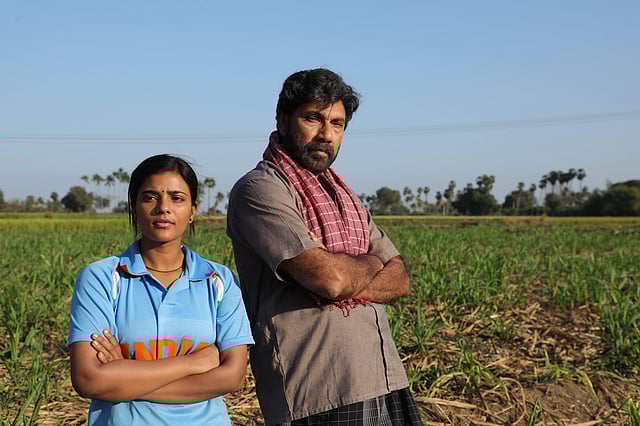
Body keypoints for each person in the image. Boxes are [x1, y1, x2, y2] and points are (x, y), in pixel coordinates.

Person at [227, 69, 423, 425]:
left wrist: (348, 271)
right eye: (313, 118)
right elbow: (329, 280)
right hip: (320, 390)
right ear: (283, 120)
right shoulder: (261, 189)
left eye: (337, 124)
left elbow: (400, 280)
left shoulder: (345, 197)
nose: (326, 134)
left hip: (383, 375)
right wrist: (370, 262)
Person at [68, 154, 254, 426]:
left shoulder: (219, 280)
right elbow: (89, 379)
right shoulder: (102, 278)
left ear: (192, 211)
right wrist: (192, 364)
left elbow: (233, 377)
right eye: (150, 197)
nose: (163, 208)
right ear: (134, 207)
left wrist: (124, 376)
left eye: (177, 198)